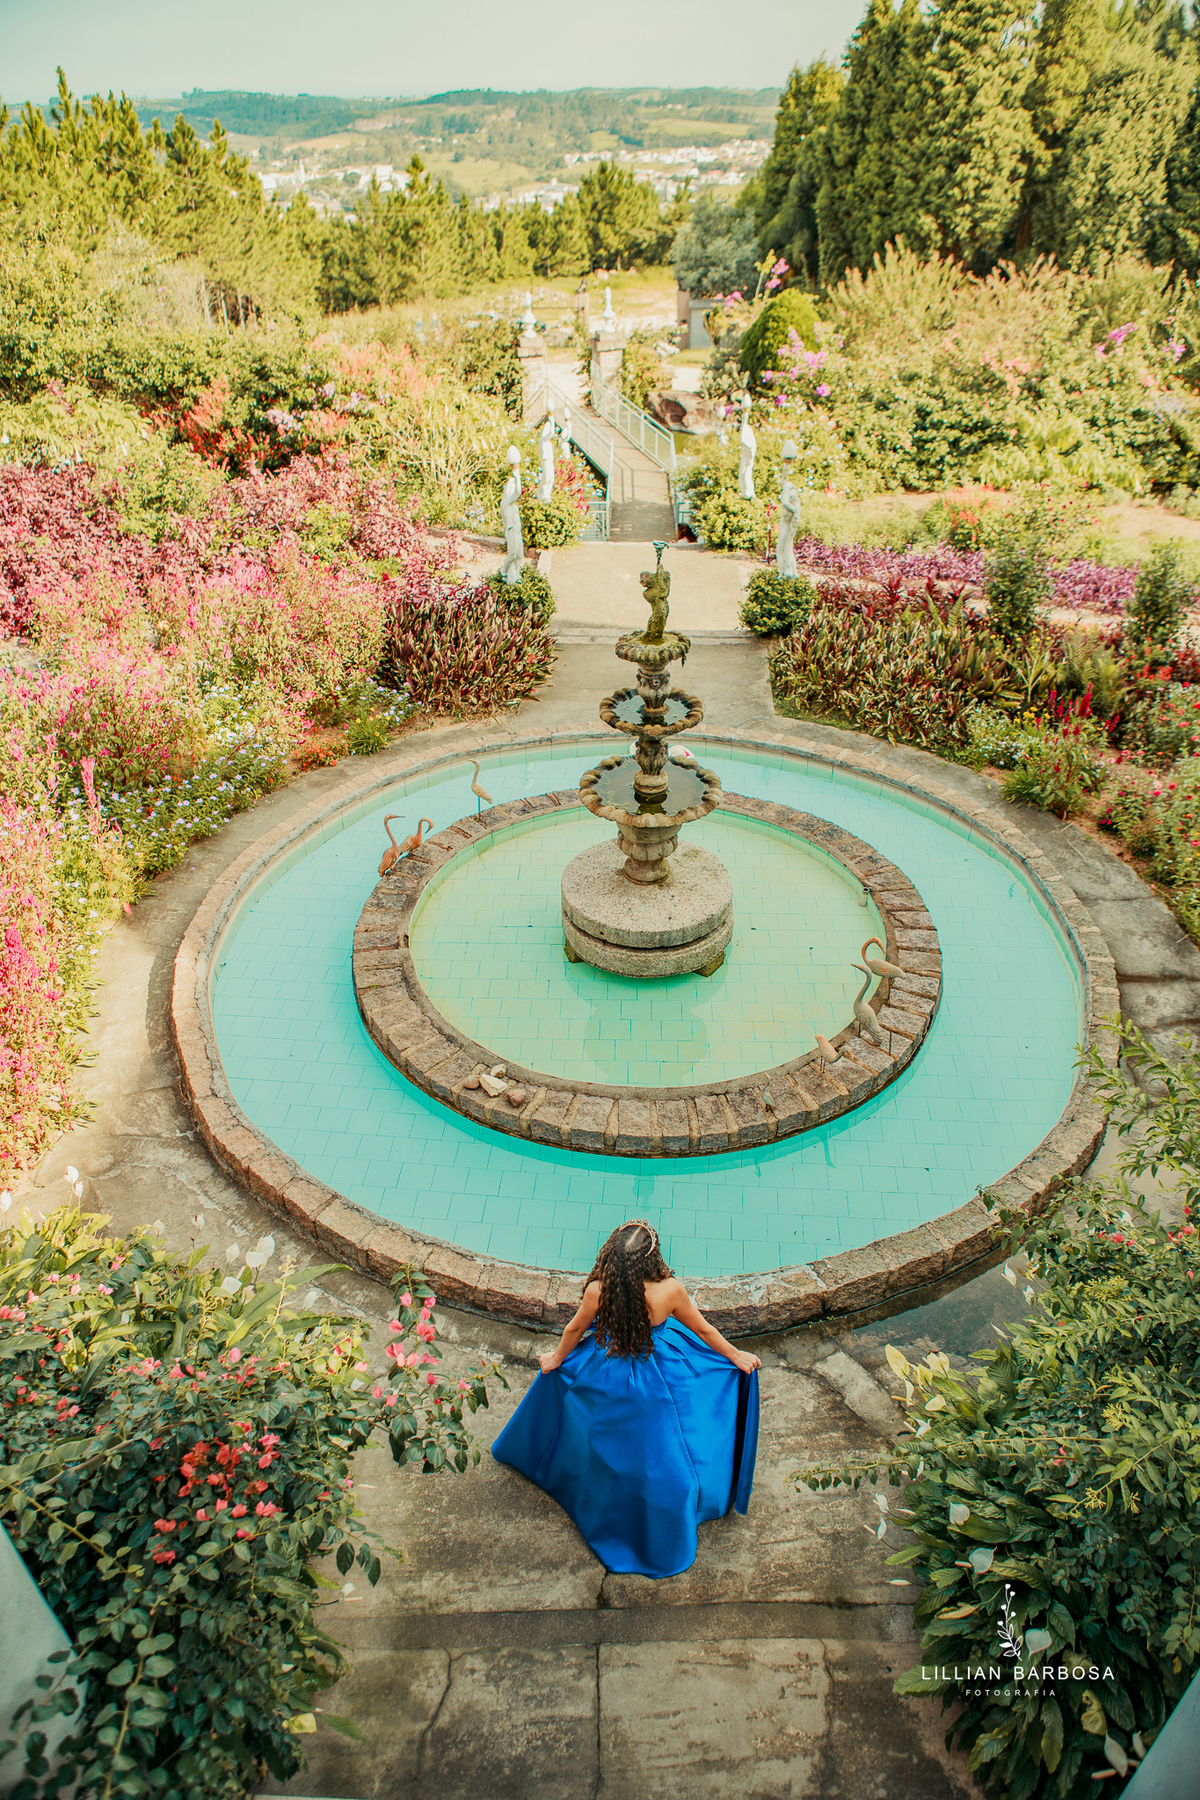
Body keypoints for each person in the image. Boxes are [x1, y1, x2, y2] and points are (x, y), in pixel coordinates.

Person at [491, 1220, 761, 1579]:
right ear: (652, 1258)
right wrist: (735, 1355)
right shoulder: (669, 1291)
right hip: (658, 1372)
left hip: (606, 1369)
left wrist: (556, 1359)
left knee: (597, 1436)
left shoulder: (598, 1290)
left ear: (611, 1257)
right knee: (670, 1442)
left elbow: (575, 1329)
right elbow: (703, 1329)